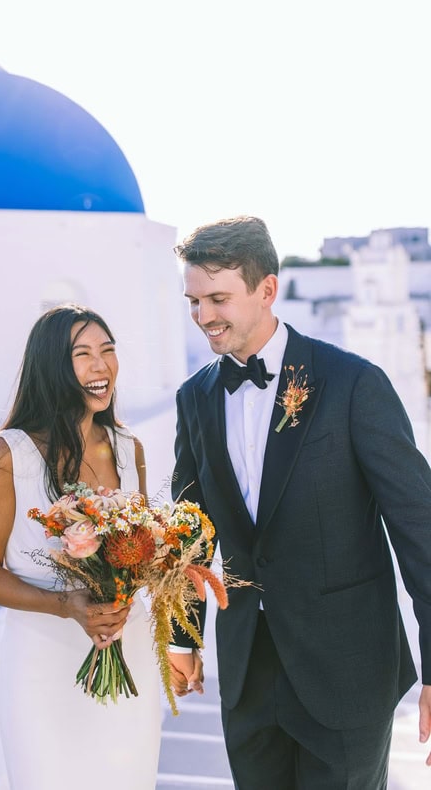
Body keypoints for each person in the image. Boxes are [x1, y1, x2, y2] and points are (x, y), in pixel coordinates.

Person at [166, 215, 431, 789]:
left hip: (347, 672)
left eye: (218, 298)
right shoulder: (194, 399)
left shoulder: (354, 384)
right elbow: (189, 534)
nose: (203, 317)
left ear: (267, 289)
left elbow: (420, 530)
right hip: (247, 677)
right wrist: (183, 636)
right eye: (193, 301)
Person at [0, 304, 161, 790]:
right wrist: (65, 605)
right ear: (52, 366)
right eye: (83, 354)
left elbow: (134, 553)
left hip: (128, 653)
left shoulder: (127, 447)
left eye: (108, 350)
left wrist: (159, 561)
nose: (101, 366)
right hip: (42, 665)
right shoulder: (7, 456)